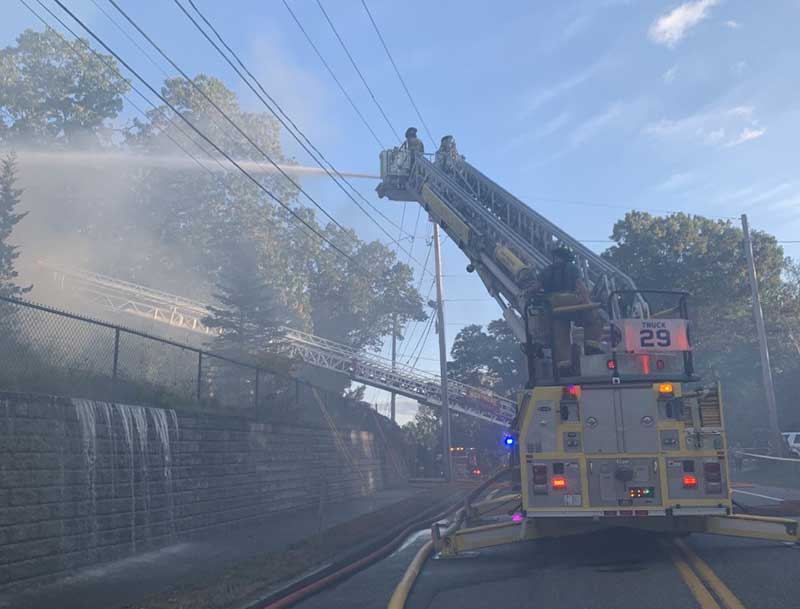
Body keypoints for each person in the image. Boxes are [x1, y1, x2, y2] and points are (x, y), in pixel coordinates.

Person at [528, 245, 604, 374]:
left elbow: (536, 287)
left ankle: (564, 367)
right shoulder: (572, 268)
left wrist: (527, 293)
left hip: (552, 305)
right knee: (594, 317)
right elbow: (580, 286)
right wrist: (588, 305)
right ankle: (591, 346)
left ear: (556, 257)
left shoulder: (546, 270)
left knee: (560, 336)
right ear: (567, 258)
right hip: (570, 301)